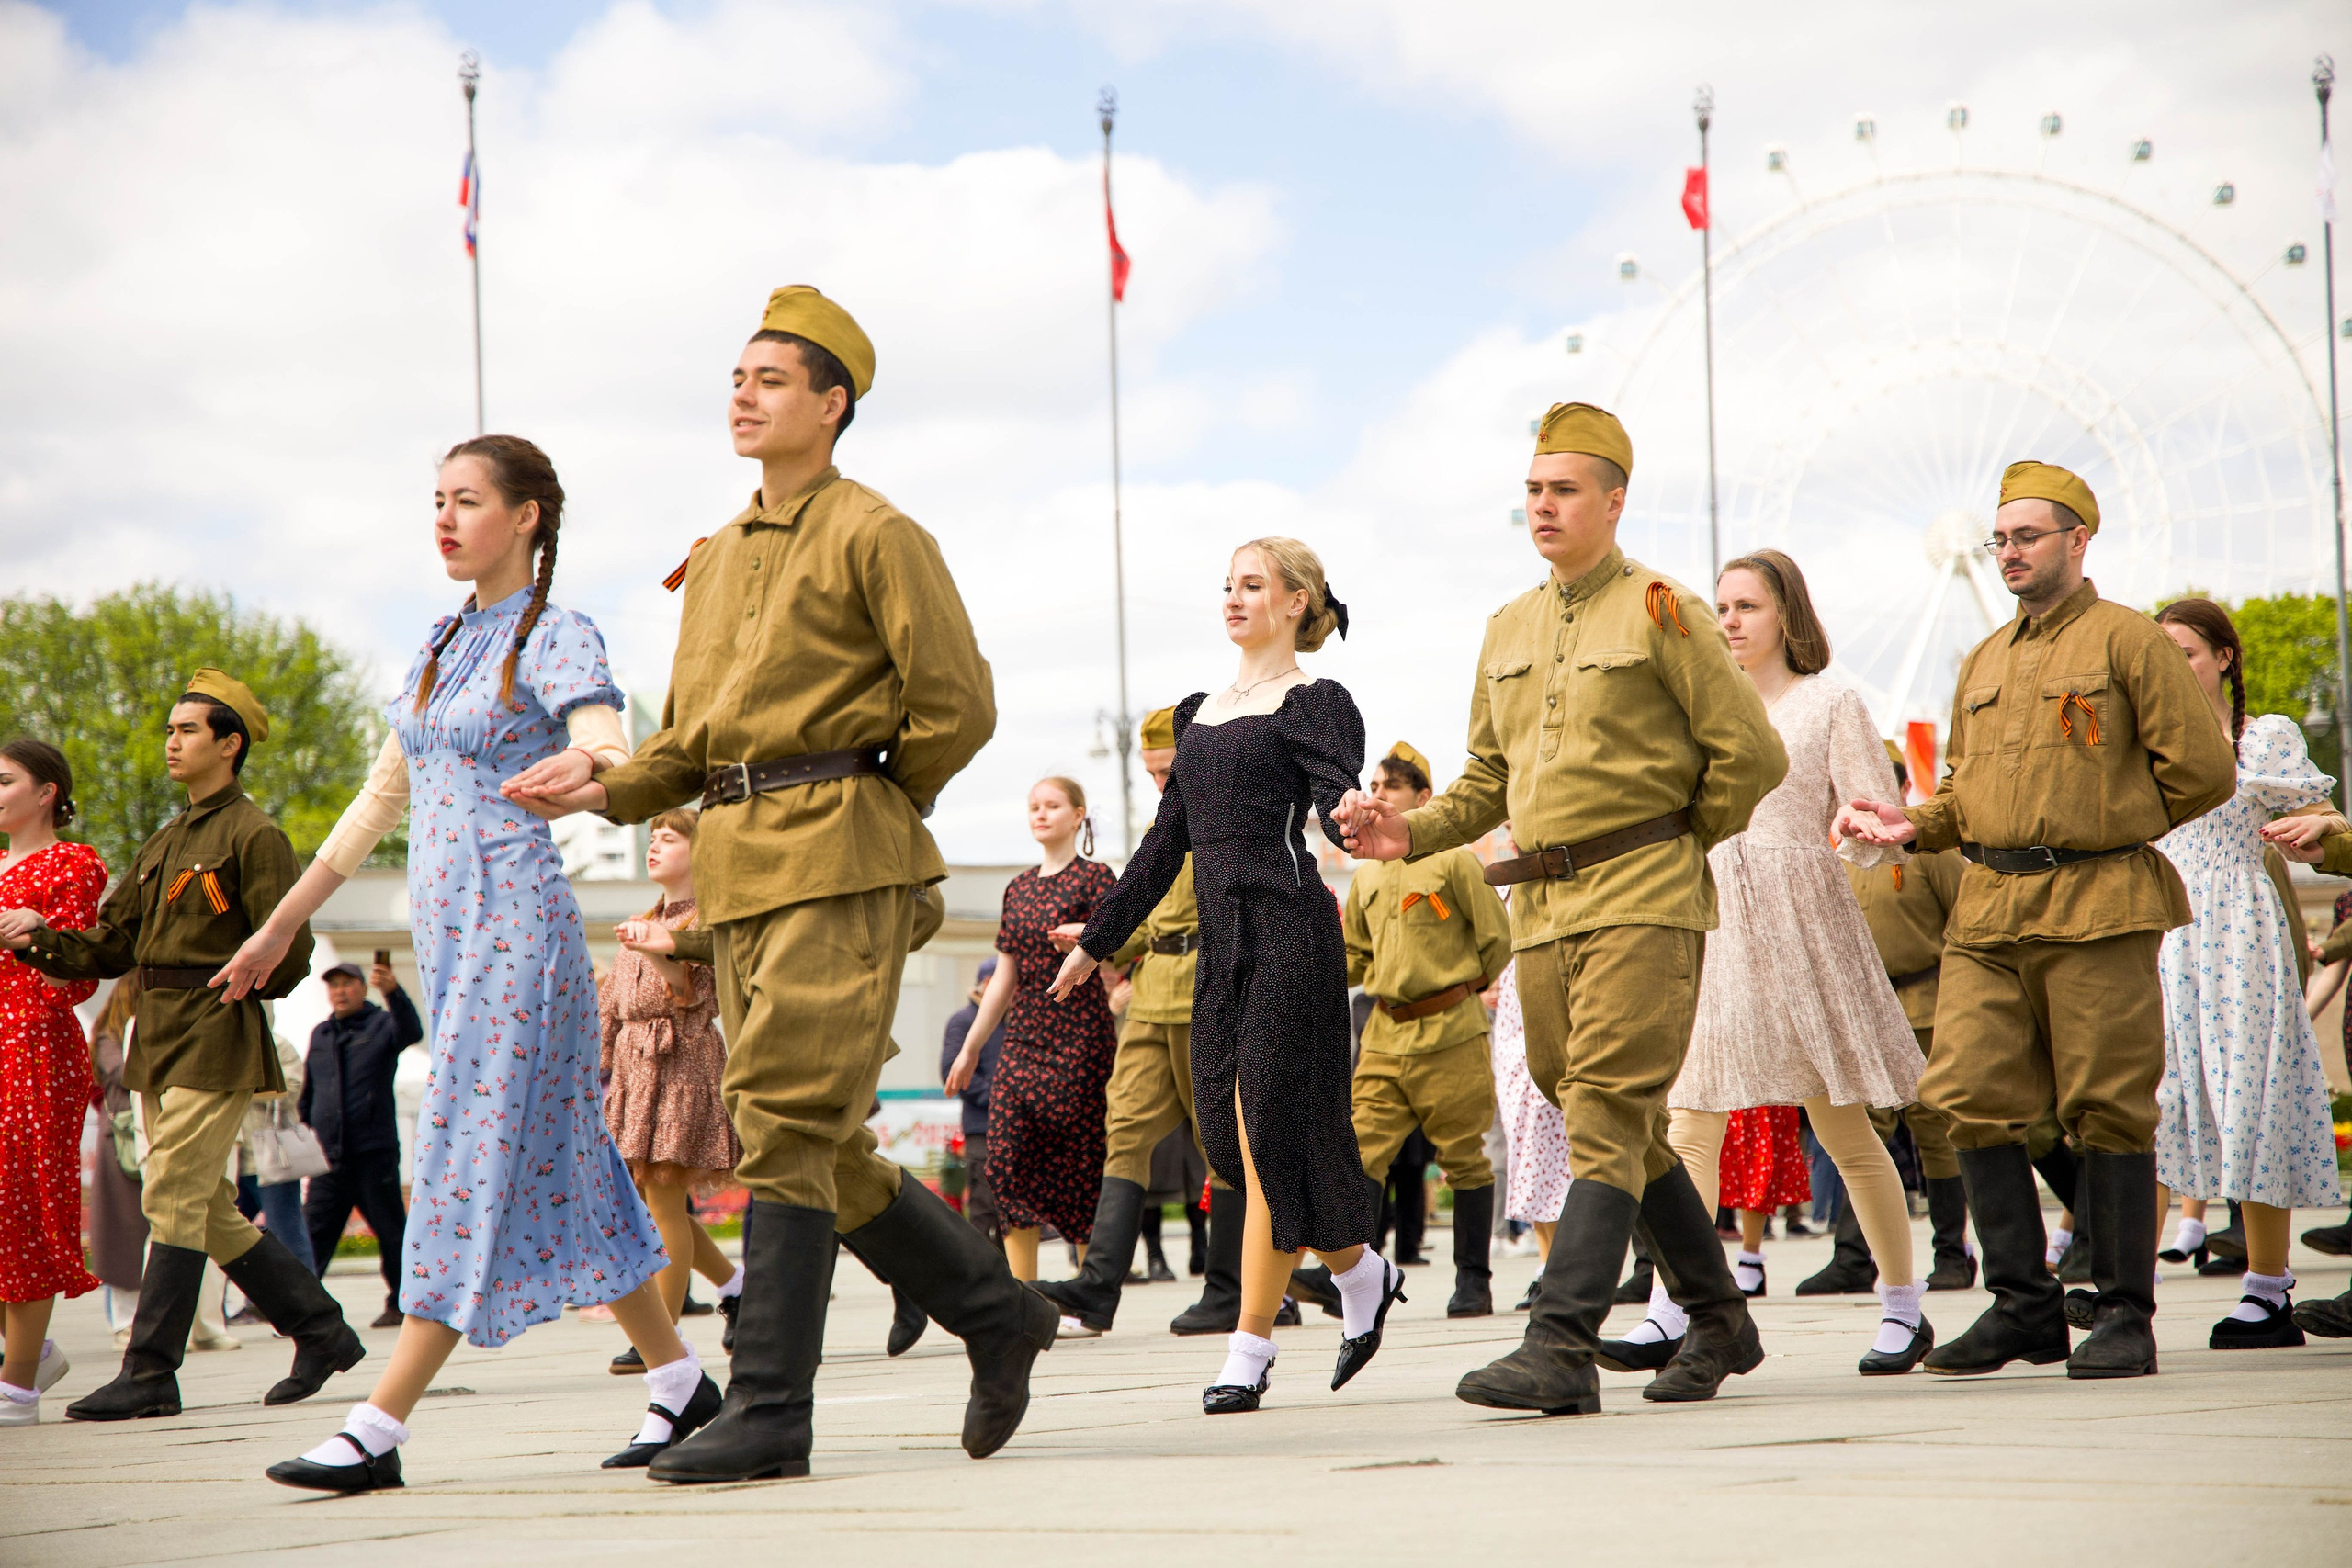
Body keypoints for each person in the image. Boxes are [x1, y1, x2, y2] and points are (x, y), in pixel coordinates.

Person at [504, 288, 1048, 1484]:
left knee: (787, 1115)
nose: (742, 395)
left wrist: (865, 794)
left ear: (832, 402)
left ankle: (770, 1407)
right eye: (736, 378)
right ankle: (998, 1310)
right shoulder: (715, 560)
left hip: (840, 852)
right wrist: (603, 783)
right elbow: (691, 739)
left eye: (770, 379)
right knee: (802, 1134)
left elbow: (956, 703)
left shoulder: (876, 532)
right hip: (741, 868)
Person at [216, 435, 713, 1491]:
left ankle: (379, 1425)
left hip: (520, 937)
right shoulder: (439, 644)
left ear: (527, 515)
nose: (444, 518)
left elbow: (612, 744)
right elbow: (372, 810)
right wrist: (277, 930)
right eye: (435, 501)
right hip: (451, 946)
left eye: (468, 500)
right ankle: (680, 1384)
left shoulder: (558, 632)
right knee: (576, 1163)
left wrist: (587, 761)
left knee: (463, 1161)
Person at [1337, 403, 1787, 1417]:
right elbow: (1485, 781)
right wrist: (1404, 836)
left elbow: (1752, 756)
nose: (1543, 505)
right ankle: (1720, 1319)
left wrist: (1675, 839)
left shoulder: (1665, 608)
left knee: (1607, 1105)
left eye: (1565, 489)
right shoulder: (1507, 626)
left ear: (1614, 501)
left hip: (1644, 896)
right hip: (1542, 910)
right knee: (1603, 1108)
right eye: (1534, 490)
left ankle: (1559, 1343)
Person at [1838, 460, 2236, 1380]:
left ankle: (2123, 1316)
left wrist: (2107, 827)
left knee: (2105, 1105)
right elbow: (1960, 792)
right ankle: (2022, 1308)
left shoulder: (2127, 642)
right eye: (2000, 540)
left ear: (2075, 541)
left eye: (2025, 536)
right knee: (1966, 1095)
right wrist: (1908, 825)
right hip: (1987, 908)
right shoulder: (1982, 659)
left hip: (2098, 903)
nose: (2008, 553)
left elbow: (2202, 772)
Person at [1050, 536, 1403, 1415]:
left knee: (1268, 1125)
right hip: (1224, 944)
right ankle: (1361, 1270)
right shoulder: (1197, 713)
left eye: (1253, 585)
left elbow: (1333, 801)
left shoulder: (1314, 701)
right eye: (1229, 585)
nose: (1235, 598)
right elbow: (1164, 845)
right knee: (1231, 1132)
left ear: (1295, 602)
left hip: (1290, 926)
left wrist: (1353, 817)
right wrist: (1099, 941)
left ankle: (1250, 1342)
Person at [1, 674, 363, 1424]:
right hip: (159, 1033)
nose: (172, 741)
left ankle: (150, 1370)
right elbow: (112, 943)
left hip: (216, 1030)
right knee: (207, 1207)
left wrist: (245, 986)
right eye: (170, 728)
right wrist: (37, 936)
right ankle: (322, 1331)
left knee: (170, 1192)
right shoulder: (167, 839)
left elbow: (286, 948)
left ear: (230, 744)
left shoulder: (255, 834)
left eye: (189, 730)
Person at [1606, 549, 1931, 1378]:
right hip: (1710, 915)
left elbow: (1876, 817)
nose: (1730, 621)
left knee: (1842, 1125)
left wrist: (1864, 834)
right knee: (1690, 1121)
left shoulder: (1831, 701)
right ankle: (1670, 1308)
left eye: (1747, 604)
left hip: (1803, 918)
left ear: (1787, 612)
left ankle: (1903, 1307)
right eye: (1722, 606)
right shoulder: (1696, 706)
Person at [2144, 599, 2344, 1348]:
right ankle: (2131, 1291)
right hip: (2165, 932)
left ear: (2225, 656)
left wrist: (2316, 829)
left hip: (2238, 927)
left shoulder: (2263, 737)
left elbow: (2330, 823)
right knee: (2156, 1099)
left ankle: (2267, 1289)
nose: (2174, 668)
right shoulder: (2142, 742)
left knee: (2251, 1090)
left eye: (2187, 651)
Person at [1032, 708, 1257, 1339]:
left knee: (1221, 1144)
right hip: (1152, 995)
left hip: (1205, 993)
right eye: (1153, 772)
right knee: (1124, 1127)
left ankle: (1230, 1288)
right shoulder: (1166, 827)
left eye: (1170, 770)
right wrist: (1099, 937)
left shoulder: (1226, 821)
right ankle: (1098, 1286)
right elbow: (1151, 922)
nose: (1162, 783)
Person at [1328, 741, 1511, 1316]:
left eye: (1391, 788)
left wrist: (1457, 991)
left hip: (1449, 1031)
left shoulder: (1454, 860)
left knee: (1464, 1158)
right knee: (1359, 1154)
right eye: (1375, 787)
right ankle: (1353, 1279)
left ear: (1423, 799)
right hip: (1384, 1034)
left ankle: (1473, 1282)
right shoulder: (1370, 873)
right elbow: (1356, 955)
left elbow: (1496, 940)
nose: (1377, 796)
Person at [1801, 750, 1975, 1297]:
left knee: (1935, 1126)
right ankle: (1852, 1257)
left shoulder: (1927, 852)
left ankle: (1953, 1253)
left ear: (1898, 787)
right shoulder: (1831, 855)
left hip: (1929, 1001)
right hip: (1862, 1009)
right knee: (1861, 1125)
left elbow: (1968, 924)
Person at [945, 778, 1119, 1296]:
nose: (1041, 815)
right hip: (1022, 1039)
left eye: (1053, 806)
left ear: (1077, 815)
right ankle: (1026, 1293)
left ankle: (1087, 1291)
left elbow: (1121, 945)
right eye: (1034, 807)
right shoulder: (1017, 887)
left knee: (1079, 1156)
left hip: (1080, 1035)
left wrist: (1090, 938)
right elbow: (1004, 974)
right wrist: (972, 1048)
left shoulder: (1096, 878)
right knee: (1005, 1159)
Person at [600, 807, 748, 1366]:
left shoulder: (709, 919)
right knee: (654, 1197)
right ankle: (735, 1288)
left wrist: (655, 952)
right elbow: (612, 1007)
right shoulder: (642, 917)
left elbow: (689, 995)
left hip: (682, 1059)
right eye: (652, 836)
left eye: (669, 838)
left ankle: (660, 1338)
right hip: (639, 1070)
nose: (654, 845)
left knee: (662, 1194)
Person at [0, 739, 106, 1425]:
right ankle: (28, 1355)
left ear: (46, 792)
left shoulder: (74, 862)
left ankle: (18, 1390)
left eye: (5, 780)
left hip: (35, 1047)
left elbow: (81, 974)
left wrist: (36, 934)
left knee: (25, 1204)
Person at [300, 957, 423, 1329]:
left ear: (362, 988)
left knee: (390, 1232)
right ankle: (301, 1309)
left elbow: (411, 1032)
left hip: (373, 1152)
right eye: (333, 985)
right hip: (328, 1156)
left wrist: (394, 992)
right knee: (313, 1233)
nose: (339, 991)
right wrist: (306, 1127)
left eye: (347, 984)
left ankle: (402, 1304)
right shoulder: (321, 1033)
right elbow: (310, 1091)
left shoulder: (382, 1024)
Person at [85, 976, 149, 1348]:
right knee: (124, 1232)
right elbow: (124, 1074)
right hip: (121, 1140)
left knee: (144, 1231)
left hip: (137, 1134)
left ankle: (137, 1318)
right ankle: (124, 1321)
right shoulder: (110, 1036)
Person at [940, 959, 1007, 1245]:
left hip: (1016, 1126)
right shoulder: (963, 1021)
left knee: (1012, 1206)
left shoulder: (1014, 1020)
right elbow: (951, 1070)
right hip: (982, 1127)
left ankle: (1013, 1275)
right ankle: (984, 1275)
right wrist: (999, 1098)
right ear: (986, 984)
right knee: (984, 1204)